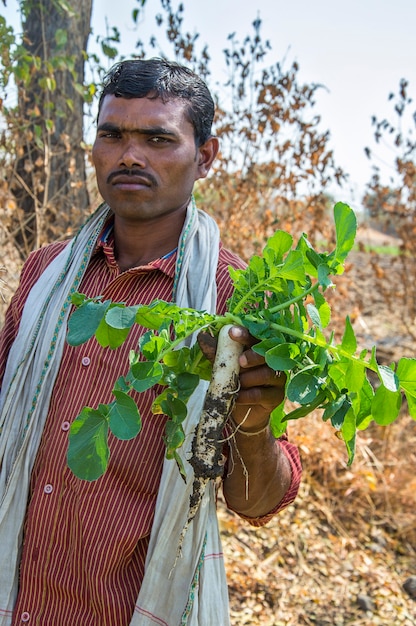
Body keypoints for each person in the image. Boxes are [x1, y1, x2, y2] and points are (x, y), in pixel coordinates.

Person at [0, 58, 301, 626]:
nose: (129, 156)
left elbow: (259, 502)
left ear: (205, 157)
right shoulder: (46, 275)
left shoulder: (235, 301)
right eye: (112, 134)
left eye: (158, 138)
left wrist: (254, 425)